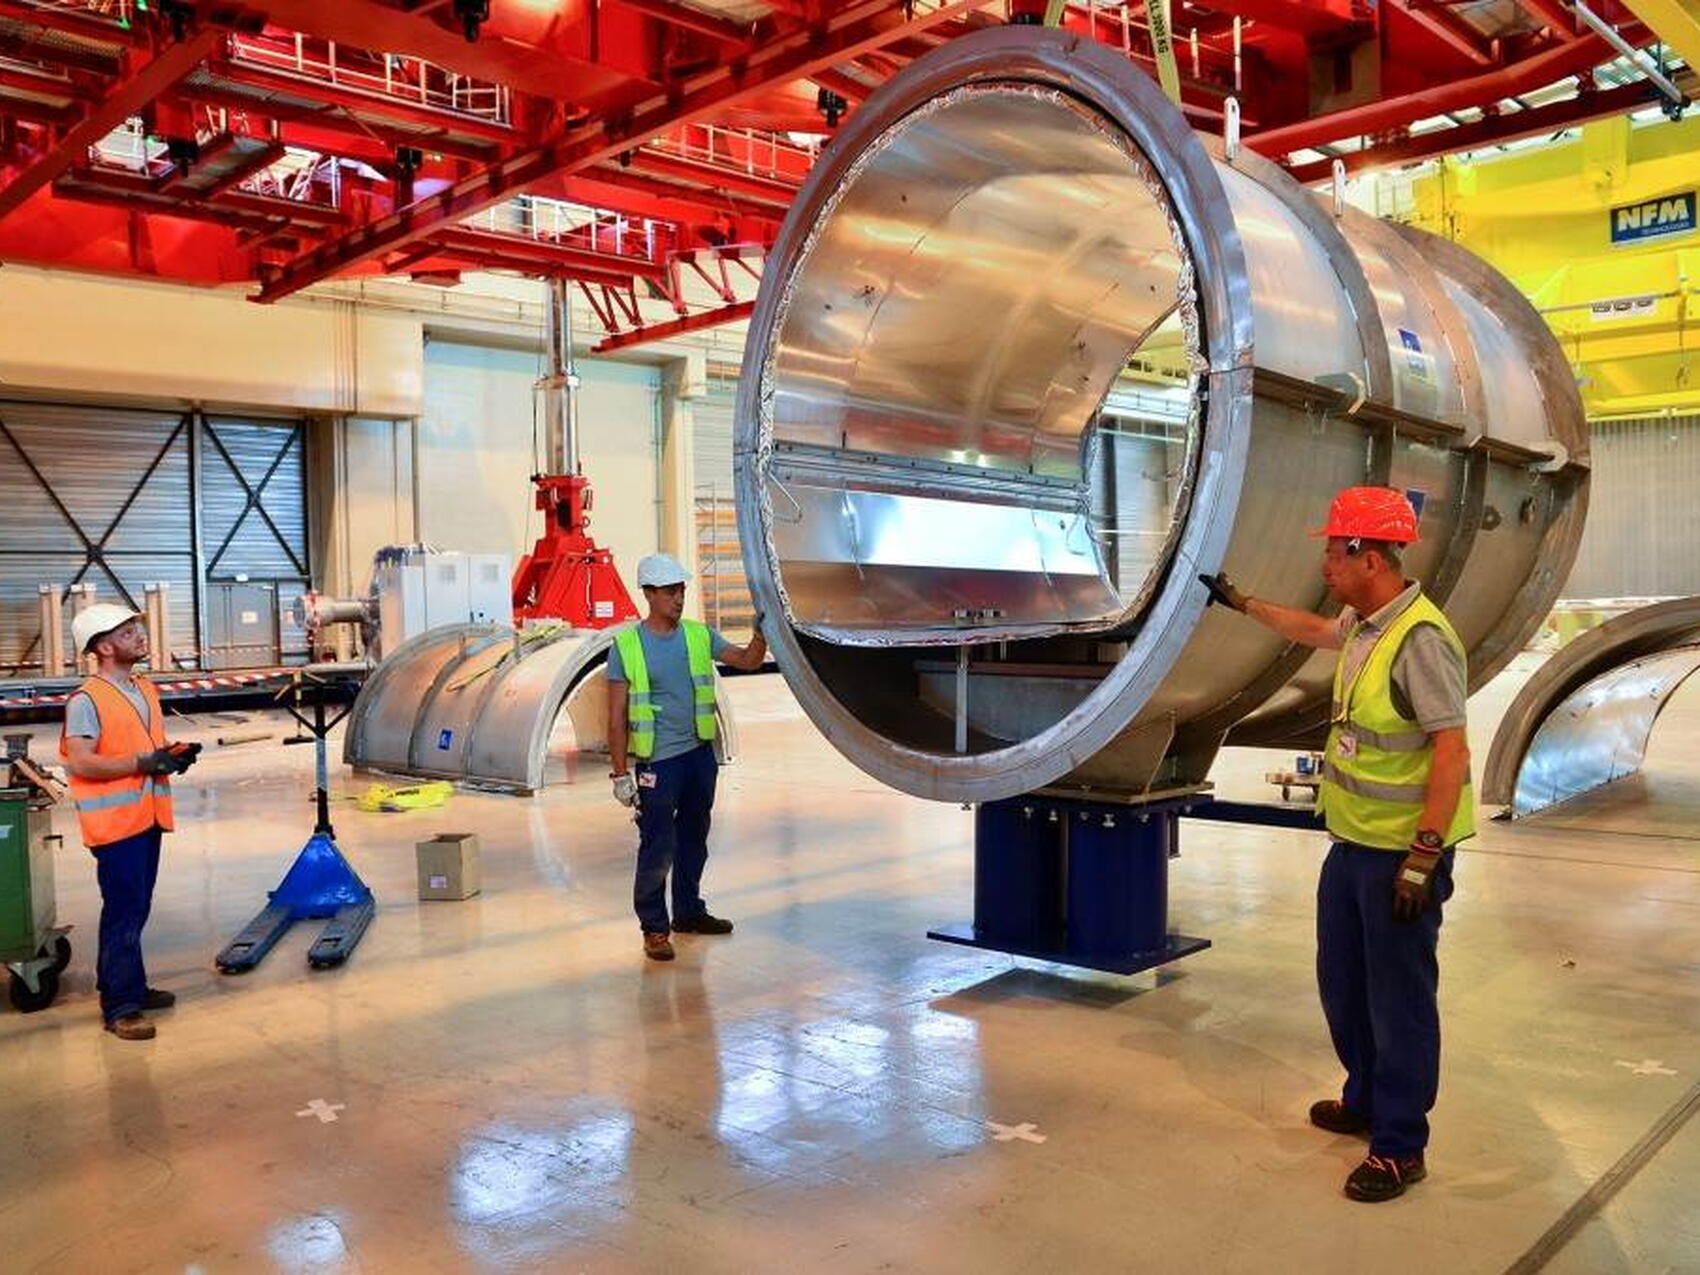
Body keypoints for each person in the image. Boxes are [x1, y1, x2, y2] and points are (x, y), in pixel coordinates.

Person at [1199, 486, 1473, 1203]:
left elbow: (1451, 752)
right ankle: (1365, 1097)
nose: (1324, 559)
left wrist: (1423, 856)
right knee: (1344, 982)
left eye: (1333, 548)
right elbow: (1317, 630)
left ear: (1370, 555)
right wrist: (1243, 602)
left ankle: (1399, 1144)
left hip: (1397, 857)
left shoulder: (1420, 639)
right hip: (1351, 844)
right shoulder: (1365, 623)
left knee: (1399, 999)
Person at [606, 554, 767, 962]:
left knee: (694, 838)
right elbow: (614, 718)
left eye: (682, 590)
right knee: (657, 846)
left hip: (698, 756)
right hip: (659, 763)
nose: (679, 598)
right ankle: (655, 929)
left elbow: (748, 661)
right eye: (671, 591)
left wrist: (763, 633)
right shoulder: (627, 646)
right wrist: (620, 774)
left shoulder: (699, 636)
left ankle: (689, 912)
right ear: (650, 593)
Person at [59, 604, 201, 1041]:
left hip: (147, 817)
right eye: (127, 632)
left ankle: (129, 986)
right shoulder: (86, 700)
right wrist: (144, 761)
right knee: (123, 912)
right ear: (103, 647)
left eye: (138, 627)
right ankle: (120, 1007)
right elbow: (82, 762)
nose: (140, 635)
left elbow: (144, 744)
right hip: (116, 823)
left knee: (135, 909)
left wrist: (170, 755)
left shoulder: (143, 688)